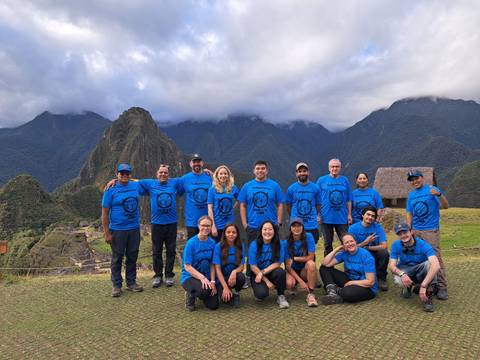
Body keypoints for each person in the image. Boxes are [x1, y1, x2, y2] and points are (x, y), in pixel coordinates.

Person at [101, 163, 147, 297]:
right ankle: (116, 285)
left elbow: (148, 183)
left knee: (132, 256)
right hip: (117, 230)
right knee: (117, 258)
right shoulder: (111, 189)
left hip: (133, 228)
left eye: (127, 173)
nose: (124, 175)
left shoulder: (135, 185)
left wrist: (132, 180)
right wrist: (106, 233)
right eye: (122, 173)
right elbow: (104, 213)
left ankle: (131, 282)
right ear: (117, 174)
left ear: (130, 175)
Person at [406, 169, 449, 300]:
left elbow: (446, 206)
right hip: (416, 231)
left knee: (435, 257)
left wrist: (440, 194)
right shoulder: (411, 195)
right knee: (419, 257)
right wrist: (409, 229)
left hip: (430, 230)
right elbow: (409, 213)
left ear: (422, 177)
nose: (415, 181)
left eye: (416, 178)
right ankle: (425, 283)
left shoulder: (431, 189)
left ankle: (442, 286)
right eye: (412, 180)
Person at [238, 160, 285, 283]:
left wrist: (278, 222)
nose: (260, 170)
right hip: (253, 225)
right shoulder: (247, 186)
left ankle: (270, 274)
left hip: (271, 226)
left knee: (272, 249)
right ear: (254, 171)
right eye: (258, 168)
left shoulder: (274, 185)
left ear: (267, 170)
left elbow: (280, 204)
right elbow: (242, 205)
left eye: (263, 168)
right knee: (252, 250)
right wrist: (244, 224)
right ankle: (249, 276)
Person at [138, 165, 183, 288]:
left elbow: (189, 178)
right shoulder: (150, 183)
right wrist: (116, 180)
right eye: (161, 172)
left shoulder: (174, 182)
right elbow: (134, 182)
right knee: (156, 251)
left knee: (171, 250)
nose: (163, 174)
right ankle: (158, 275)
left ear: (169, 174)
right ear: (157, 174)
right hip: (157, 224)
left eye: (165, 173)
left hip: (171, 223)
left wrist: (207, 172)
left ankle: (169, 275)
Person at [388, 223, 440, 312]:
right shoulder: (395, 245)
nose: (403, 235)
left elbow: (436, 265)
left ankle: (427, 297)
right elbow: (391, 266)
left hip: (421, 269)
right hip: (406, 270)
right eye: (400, 234)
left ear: (411, 232)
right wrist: (402, 274)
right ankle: (409, 287)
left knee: (430, 265)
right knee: (397, 278)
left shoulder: (423, 244)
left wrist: (423, 286)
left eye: (405, 232)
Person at [319, 233, 377, 305]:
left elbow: (370, 282)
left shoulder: (366, 256)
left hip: (366, 287)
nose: (349, 244)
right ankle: (332, 293)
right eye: (346, 242)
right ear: (343, 245)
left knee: (348, 293)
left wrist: (351, 283)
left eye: (351, 241)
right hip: (349, 280)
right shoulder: (345, 253)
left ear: (356, 242)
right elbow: (325, 263)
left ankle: (336, 291)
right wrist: (336, 250)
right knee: (324, 268)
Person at [248, 221, 289, 309]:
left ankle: (281, 296)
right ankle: (260, 290)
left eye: (270, 229)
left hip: (270, 272)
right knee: (261, 295)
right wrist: (266, 281)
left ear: (274, 231)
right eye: (265, 229)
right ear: (261, 231)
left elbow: (278, 263)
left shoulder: (280, 243)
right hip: (257, 273)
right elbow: (253, 266)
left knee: (280, 272)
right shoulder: (254, 244)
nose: (267, 232)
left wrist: (262, 272)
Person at [181, 216, 219, 311]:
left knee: (213, 305)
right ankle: (190, 294)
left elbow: (212, 264)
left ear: (211, 227)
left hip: (206, 277)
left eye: (208, 226)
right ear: (198, 226)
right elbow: (187, 266)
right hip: (190, 276)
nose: (205, 228)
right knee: (205, 290)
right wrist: (202, 278)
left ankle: (201, 293)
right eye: (203, 225)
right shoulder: (191, 243)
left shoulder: (212, 243)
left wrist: (213, 281)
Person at [316, 158, 353, 256]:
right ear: (329, 168)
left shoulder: (345, 180)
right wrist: (318, 214)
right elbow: (316, 199)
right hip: (325, 217)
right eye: (332, 166)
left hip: (342, 217)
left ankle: (348, 267)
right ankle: (327, 268)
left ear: (340, 168)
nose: (334, 168)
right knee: (328, 244)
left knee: (346, 242)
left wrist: (349, 214)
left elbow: (349, 199)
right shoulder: (321, 180)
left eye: (337, 166)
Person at [348, 206, 389, 291]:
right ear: (363, 215)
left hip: (372, 251)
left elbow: (384, 246)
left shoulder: (378, 227)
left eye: (373, 216)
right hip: (359, 253)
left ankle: (381, 278)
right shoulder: (353, 228)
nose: (370, 217)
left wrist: (368, 247)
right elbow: (349, 248)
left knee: (384, 253)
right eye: (368, 214)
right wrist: (365, 242)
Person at [284, 218, 318, 307]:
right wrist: (300, 281)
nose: (296, 228)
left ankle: (310, 294)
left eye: (299, 226)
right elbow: (288, 266)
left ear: (303, 227)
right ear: (290, 228)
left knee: (311, 264)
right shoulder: (286, 242)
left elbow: (311, 257)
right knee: (289, 284)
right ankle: (295, 285)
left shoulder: (309, 236)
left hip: (304, 270)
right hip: (292, 270)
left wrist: (294, 258)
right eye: (293, 226)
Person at [286, 162, 321, 243]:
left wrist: (312, 214)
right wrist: (294, 216)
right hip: (296, 225)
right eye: (300, 171)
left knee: (311, 249)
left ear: (308, 172)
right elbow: (288, 206)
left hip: (311, 225)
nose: (302, 173)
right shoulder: (291, 189)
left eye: (304, 171)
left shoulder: (315, 188)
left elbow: (318, 205)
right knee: (296, 248)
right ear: (296, 173)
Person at [180, 154, 213, 239]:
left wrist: (213, 175)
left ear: (202, 163)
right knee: (192, 245)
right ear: (191, 164)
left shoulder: (209, 177)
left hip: (207, 220)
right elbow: (173, 189)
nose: (196, 164)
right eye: (194, 162)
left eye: (198, 162)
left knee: (207, 245)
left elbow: (222, 186)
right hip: (192, 221)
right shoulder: (184, 179)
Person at [212, 224, 246, 307]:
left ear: (237, 234)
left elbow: (241, 266)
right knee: (226, 301)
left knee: (241, 277)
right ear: (225, 234)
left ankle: (236, 293)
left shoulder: (241, 246)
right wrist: (225, 288)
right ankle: (224, 290)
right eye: (228, 232)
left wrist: (234, 272)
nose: (231, 234)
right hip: (221, 278)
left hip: (233, 277)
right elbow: (217, 269)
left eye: (234, 232)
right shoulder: (218, 246)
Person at [207, 165, 239, 242]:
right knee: (217, 248)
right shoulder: (212, 189)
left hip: (229, 225)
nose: (223, 175)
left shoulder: (233, 188)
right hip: (217, 225)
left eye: (225, 173)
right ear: (217, 175)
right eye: (221, 174)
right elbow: (210, 208)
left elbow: (240, 199)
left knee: (228, 248)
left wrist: (233, 207)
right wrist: (212, 226)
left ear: (228, 175)